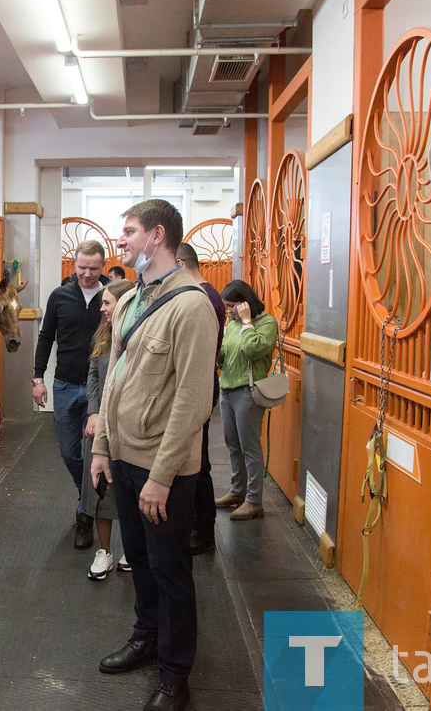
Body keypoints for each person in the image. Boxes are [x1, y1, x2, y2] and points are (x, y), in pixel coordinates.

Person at [91, 200, 217, 711]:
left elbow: (193, 403)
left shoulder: (192, 307)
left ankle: (174, 675)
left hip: (163, 469)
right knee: (139, 559)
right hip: (123, 456)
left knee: (171, 570)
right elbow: (115, 377)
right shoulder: (130, 301)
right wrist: (101, 446)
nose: (121, 242)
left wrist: (162, 477)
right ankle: (146, 637)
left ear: (156, 235)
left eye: (129, 232)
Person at [33, 239, 108, 549]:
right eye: (81, 267)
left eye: (93, 268)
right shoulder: (60, 296)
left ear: (103, 266)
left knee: (93, 453)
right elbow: (46, 336)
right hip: (64, 384)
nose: (87, 274)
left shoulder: (111, 297)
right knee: (68, 452)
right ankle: (86, 494)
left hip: (98, 388)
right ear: (73, 264)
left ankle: (85, 515)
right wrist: (38, 377)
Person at [174, 243, 226, 555]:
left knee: (198, 461)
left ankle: (203, 530)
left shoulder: (203, 296)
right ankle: (198, 525)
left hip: (203, 384)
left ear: (180, 263)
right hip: (204, 381)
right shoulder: (208, 294)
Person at [82, 279, 135, 580]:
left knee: (130, 490)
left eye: (107, 303)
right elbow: (92, 373)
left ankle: (132, 548)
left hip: (130, 429)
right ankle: (104, 552)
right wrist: (93, 412)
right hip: (101, 426)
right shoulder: (103, 333)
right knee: (101, 490)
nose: (101, 308)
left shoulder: (138, 335)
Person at [214, 279, 278, 521]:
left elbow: (254, 350)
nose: (229, 311)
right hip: (227, 389)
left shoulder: (265, 323)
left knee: (249, 447)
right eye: (227, 306)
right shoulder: (232, 325)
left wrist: (248, 322)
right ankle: (237, 492)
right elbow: (228, 354)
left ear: (245, 304)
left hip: (247, 392)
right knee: (233, 445)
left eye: (232, 306)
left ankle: (253, 501)